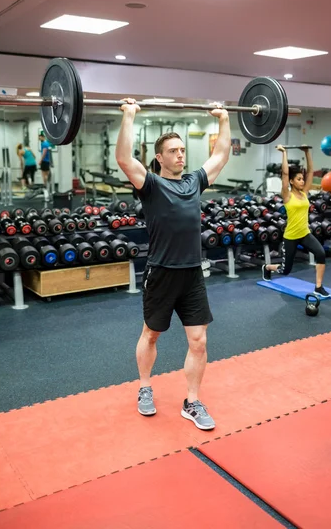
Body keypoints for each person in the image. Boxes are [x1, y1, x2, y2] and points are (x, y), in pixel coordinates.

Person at [116, 98, 231, 430]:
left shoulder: (194, 181)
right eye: (174, 150)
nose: (181, 154)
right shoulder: (151, 185)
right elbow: (124, 158)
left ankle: (192, 402)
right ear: (159, 157)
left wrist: (224, 120)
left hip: (193, 274)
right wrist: (130, 115)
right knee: (151, 335)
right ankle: (144, 387)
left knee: (199, 340)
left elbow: (221, 156)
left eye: (183, 150)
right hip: (162, 273)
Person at [262, 144, 330, 298]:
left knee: (320, 253)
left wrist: (307, 152)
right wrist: (284, 153)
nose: (302, 181)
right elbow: (285, 173)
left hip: (305, 233)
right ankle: (267, 267)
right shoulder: (287, 195)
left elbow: (311, 171)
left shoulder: (304, 193)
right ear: (292, 182)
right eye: (299, 179)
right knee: (286, 270)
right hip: (291, 236)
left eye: (302, 179)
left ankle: (318, 287)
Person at [38, 131, 52, 198]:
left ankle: (45, 187)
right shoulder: (46, 143)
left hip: (44, 161)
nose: (39, 138)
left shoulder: (44, 144)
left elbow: (44, 152)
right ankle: (47, 187)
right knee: (46, 174)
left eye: (40, 137)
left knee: (44, 175)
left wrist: (40, 160)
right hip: (47, 161)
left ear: (42, 137)